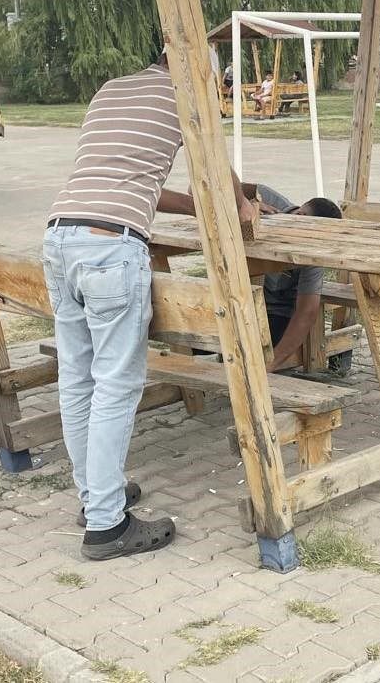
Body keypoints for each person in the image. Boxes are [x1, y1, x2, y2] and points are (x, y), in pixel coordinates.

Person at [45, 51, 256, 562]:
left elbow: (133, 179)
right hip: (111, 247)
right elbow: (211, 165)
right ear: (200, 71)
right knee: (116, 386)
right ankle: (106, 527)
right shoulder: (186, 93)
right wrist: (243, 204)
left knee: (78, 378)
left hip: (60, 236)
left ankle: (96, 496)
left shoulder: (111, 89)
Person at [253, 186, 343, 373]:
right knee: (201, 337)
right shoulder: (267, 197)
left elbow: (307, 311)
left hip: (275, 312)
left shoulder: (313, 252)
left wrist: (270, 365)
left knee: (256, 346)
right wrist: (245, 204)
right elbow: (199, 188)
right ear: (300, 216)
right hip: (240, 300)